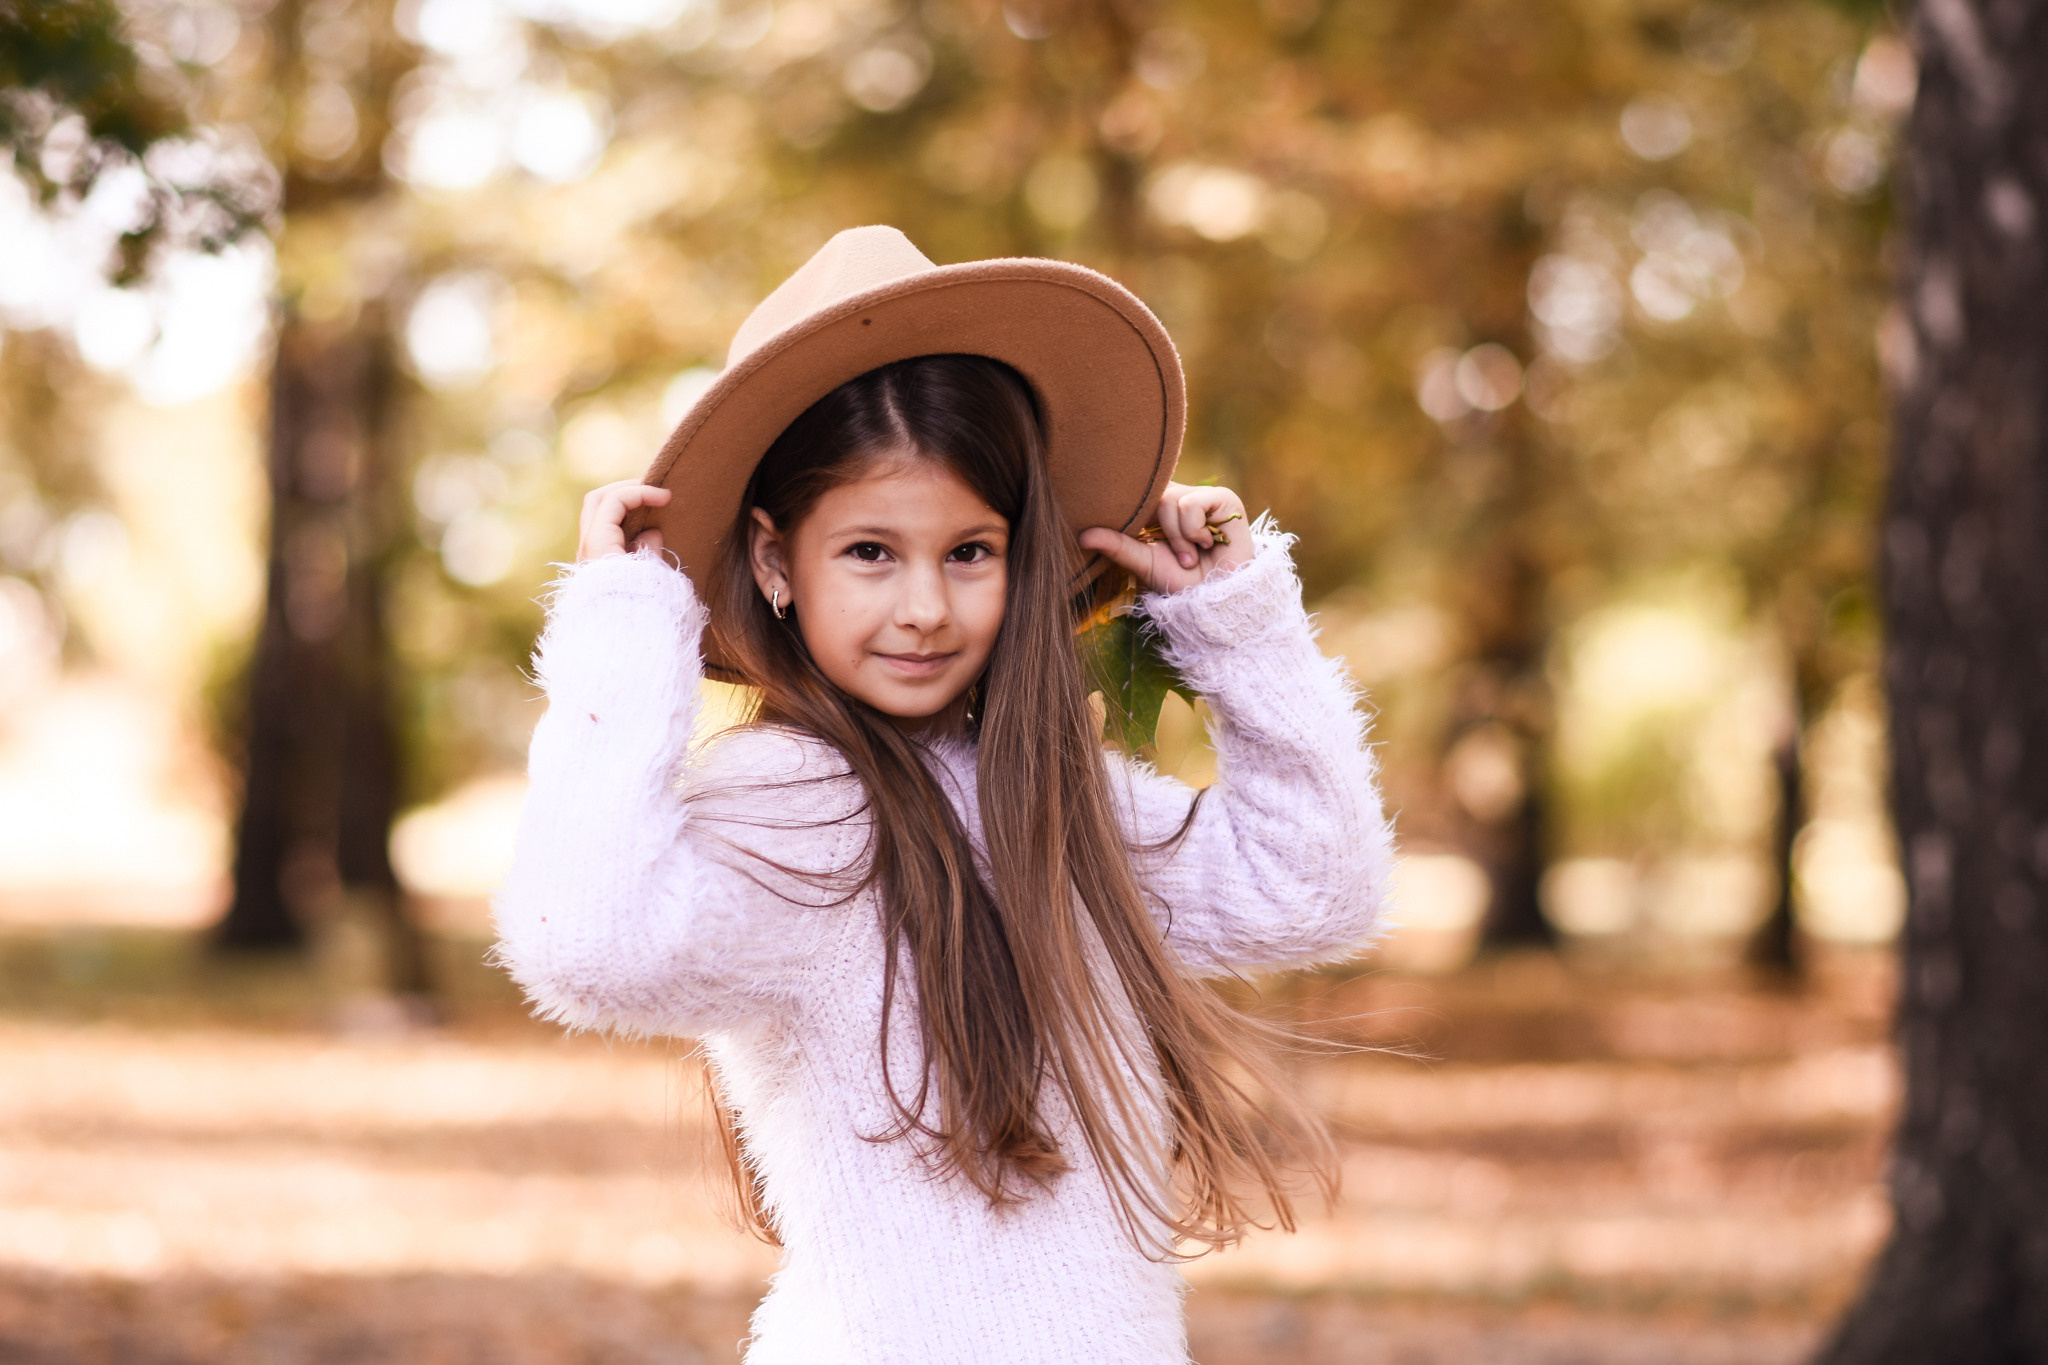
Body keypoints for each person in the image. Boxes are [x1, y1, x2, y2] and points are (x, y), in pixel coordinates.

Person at [493, 227, 1395, 1364]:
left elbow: (1314, 891)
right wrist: (620, 626)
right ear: (774, 562)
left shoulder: (1054, 806)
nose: (924, 607)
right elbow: (589, 946)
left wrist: (1236, 620)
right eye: (870, 552)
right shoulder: (791, 806)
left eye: (969, 551)